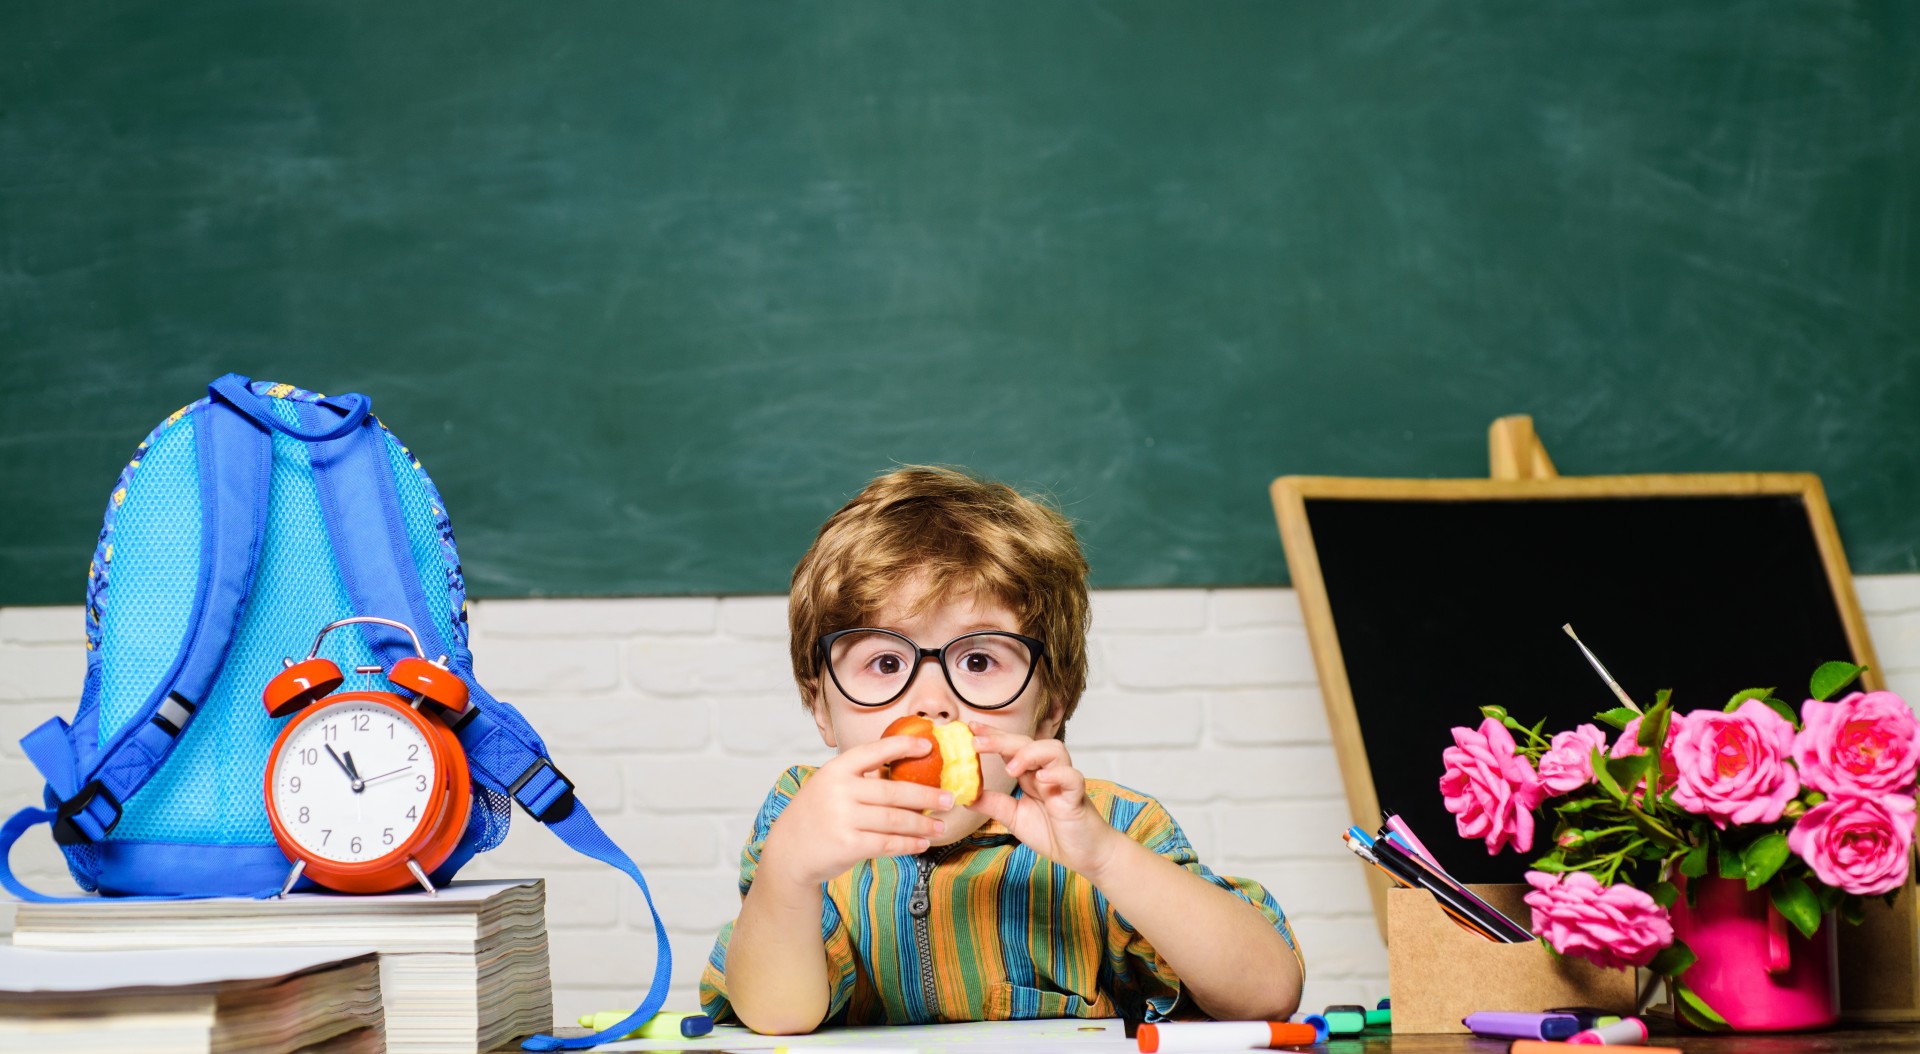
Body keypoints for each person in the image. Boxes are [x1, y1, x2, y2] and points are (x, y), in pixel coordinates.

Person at [700, 466, 1303, 1034]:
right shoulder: (802, 821)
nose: (933, 701)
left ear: (1052, 707)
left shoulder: (1111, 826)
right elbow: (775, 1019)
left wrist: (1108, 859)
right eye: (885, 662)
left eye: (980, 660)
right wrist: (788, 874)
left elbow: (1269, 994)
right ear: (820, 705)